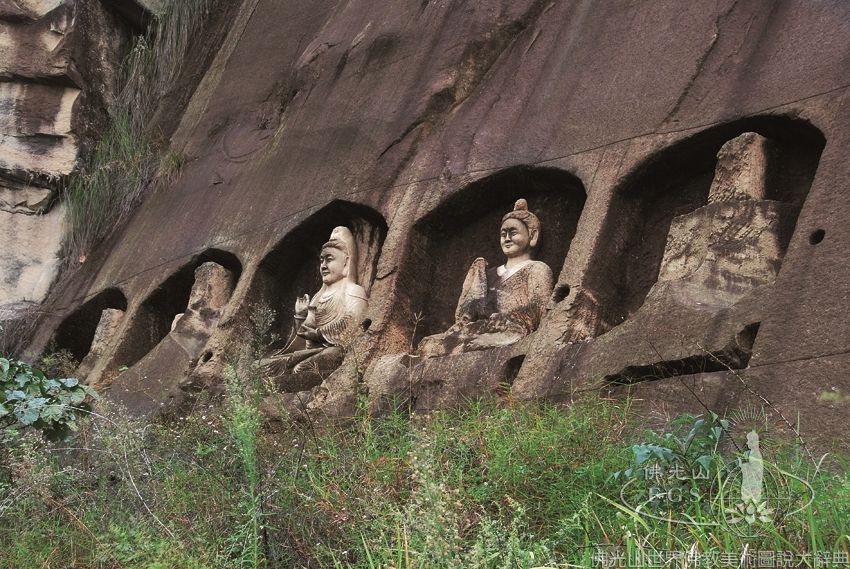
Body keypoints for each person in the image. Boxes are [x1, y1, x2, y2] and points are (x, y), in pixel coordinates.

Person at [417, 199, 553, 356]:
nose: (507, 238)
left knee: (508, 332)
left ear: (532, 235)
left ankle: (466, 346)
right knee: (430, 343)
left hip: (510, 327)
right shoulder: (489, 274)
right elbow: (464, 317)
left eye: (513, 232)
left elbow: (539, 309)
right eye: (503, 234)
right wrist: (475, 299)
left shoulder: (537, 268)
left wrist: (505, 318)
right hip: (479, 329)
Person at [263, 226, 368, 390]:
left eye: (329, 259)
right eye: (321, 260)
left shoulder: (353, 291)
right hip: (312, 352)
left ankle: (280, 386)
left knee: (304, 368)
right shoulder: (318, 298)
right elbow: (304, 340)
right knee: (260, 367)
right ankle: (273, 384)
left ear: (346, 261)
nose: (323, 266)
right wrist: (300, 316)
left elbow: (353, 325)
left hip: (334, 350)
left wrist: (318, 334)